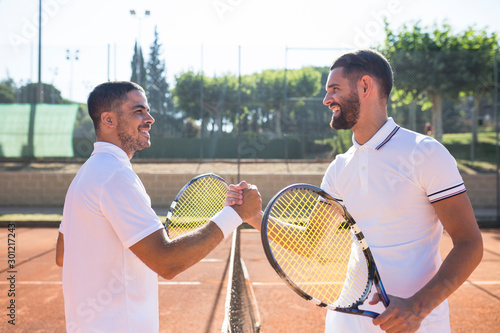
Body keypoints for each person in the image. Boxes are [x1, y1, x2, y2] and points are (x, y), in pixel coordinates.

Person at [227, 49, 483, 333]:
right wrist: (253, 216)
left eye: (334, 89)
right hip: (347, 321)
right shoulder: (339, 168)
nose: (326, 100)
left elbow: (469, 243)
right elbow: (310, 243)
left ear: (365, 86)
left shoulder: (424, 153)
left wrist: (417, 307)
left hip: (418, 324)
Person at [55, 81, 262, 333]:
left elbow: (63, 254)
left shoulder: (85, 175)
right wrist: (235, 215)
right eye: (138, 111)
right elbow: (167, 262)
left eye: (148, 110)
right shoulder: (116, 175)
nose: (150, 118)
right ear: (108, 120)